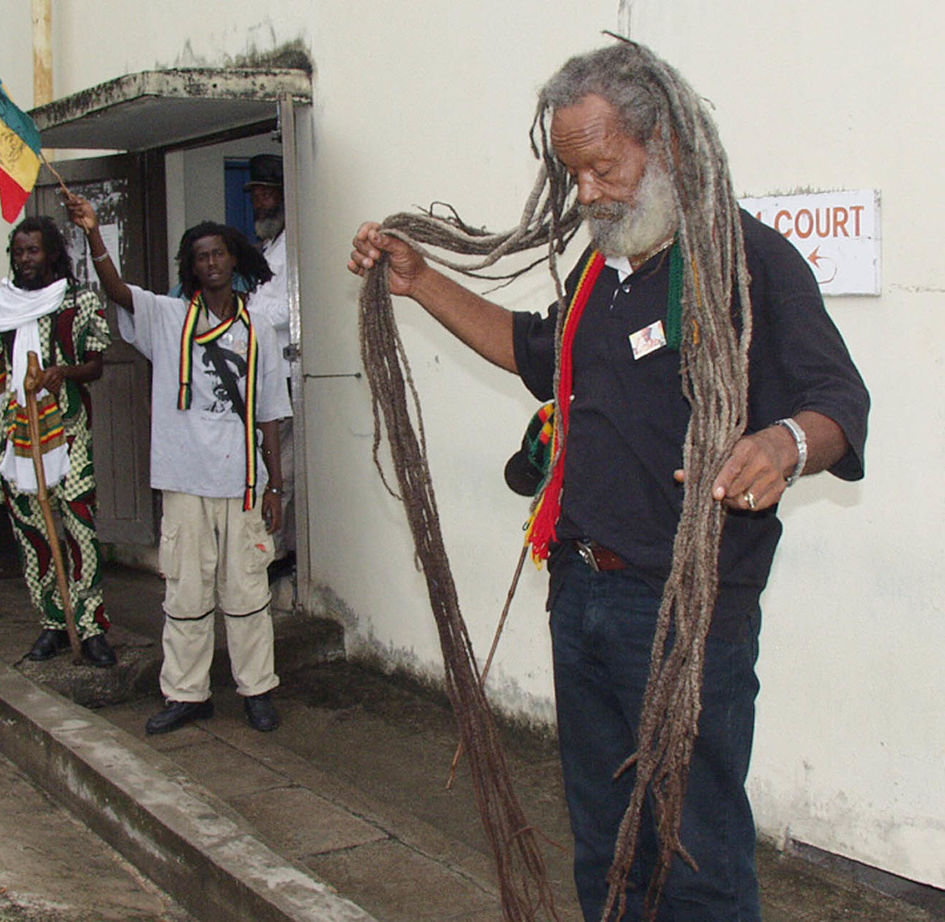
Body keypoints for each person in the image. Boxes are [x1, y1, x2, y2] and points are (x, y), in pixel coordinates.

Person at [348, 42, 869, 921]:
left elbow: (838, 401)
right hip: (581, 593)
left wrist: (782, 445)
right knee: (604, 842)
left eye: (603, 166)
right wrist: (422, 282)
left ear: (664, 141)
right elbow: (531, 352)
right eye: (573, 173)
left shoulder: (747, 260)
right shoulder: (600, 272)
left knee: (692, 852)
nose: (587, 192)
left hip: (683, 611)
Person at [69, 194, 290, 734]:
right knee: (186, 594)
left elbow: (269, 414)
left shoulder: (257, 327)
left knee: (246, 592)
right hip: (184, 479)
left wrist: (275, 487)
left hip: (241, 482)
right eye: (200, 257)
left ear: (233, 259)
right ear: (190, 268)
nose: (211, 263)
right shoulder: (168, 318)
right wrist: (96, 233)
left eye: (218, 254)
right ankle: (187, 694)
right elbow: (118, 291)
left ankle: (256, 689)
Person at [0, 214, 116, 667]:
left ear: (52, 253)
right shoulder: (4, 303)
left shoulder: (80, 300)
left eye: (33, 251)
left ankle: (90, 626)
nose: (25, 259)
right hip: (19, 433)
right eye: (18, 252)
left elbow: (96, 366)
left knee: (78, 526)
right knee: (33, 530)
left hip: (69, 432)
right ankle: (53, 622)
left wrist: (61, 373)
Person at [243, 154, 297, 580]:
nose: (260, 202)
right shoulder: (267, 246)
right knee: (267, 465)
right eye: (256, 195)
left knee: (283, 469)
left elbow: (292, 310)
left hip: (287, 376)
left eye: (266, 193)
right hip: (264, 375)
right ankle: (272, 549)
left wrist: (248, 311)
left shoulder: (293, 245)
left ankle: (277, 553)